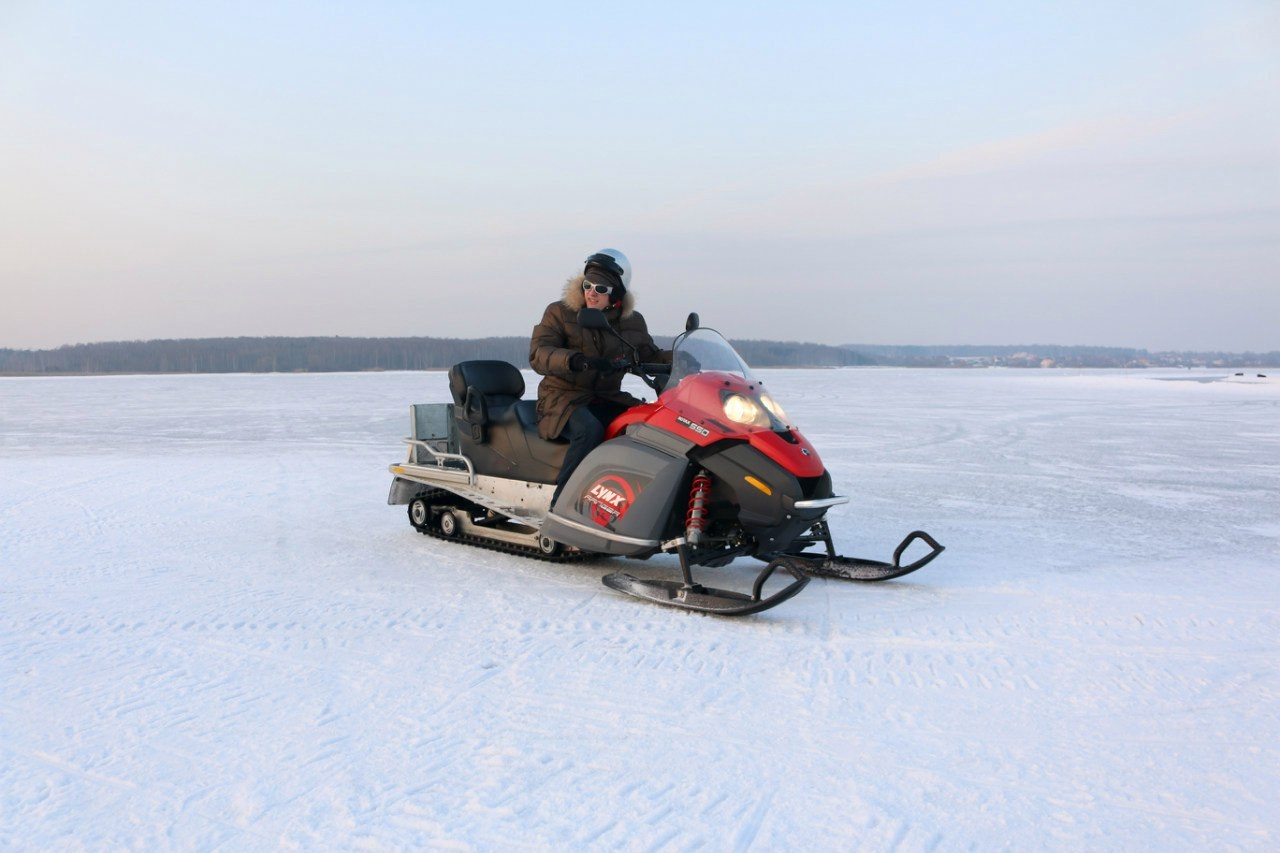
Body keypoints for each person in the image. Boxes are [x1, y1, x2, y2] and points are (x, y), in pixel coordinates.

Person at [530, 249, 670, 504]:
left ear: (616, 295)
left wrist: (683, 357)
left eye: (601, 288)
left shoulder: (631, 322)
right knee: (589, 430)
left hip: (606, 397)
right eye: (588, 285)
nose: (592, 292)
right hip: (562, 398)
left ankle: (633, 499)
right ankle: (563, 504)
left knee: (650, 423)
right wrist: (574, 360)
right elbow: (540, 353)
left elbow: (649, 354)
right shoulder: (560, 313)